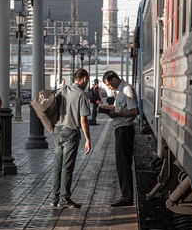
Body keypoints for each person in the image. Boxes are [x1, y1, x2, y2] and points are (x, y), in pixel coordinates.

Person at [50, 68, 91, 209]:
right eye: (88, 80)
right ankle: (64, 198)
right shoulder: (81, 95)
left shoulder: (63, 91)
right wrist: (88, 139)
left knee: (57, 166)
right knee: (67, 166)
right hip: (71, 133)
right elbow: (83, 119)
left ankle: (54, 198)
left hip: (58, 131)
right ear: (84, 78)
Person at [98, 70, 139, 207]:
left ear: (114, 79)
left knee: (123, 164)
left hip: (125, 129)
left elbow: (134, 111)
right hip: (120, 129)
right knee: (121, 164)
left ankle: (127, 197)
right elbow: (119, 107)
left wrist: (118, 115)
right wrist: (105, 108)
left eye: (108, 84)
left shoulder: (127, 89)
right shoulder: (120, 91)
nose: (109, 87)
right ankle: (125, 195)